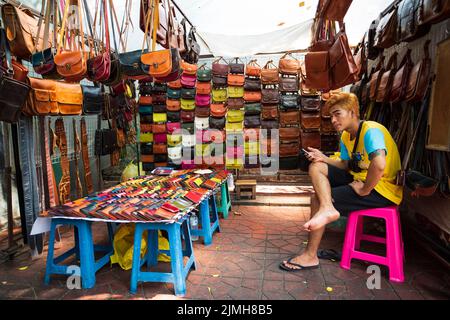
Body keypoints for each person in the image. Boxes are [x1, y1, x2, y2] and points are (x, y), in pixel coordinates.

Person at [279, 92, 403, 271]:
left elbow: (380, 164)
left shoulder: (371, 130)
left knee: (316, 198)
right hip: (359, 179)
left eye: (338, 114)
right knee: (316, 166)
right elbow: (345, 165)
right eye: (331, 116)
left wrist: (365, 190)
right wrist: (323, 157)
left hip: (382, 189)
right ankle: (328, 207)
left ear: (353, 112)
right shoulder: (346, 136)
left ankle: (310, 255)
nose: (334, 120)